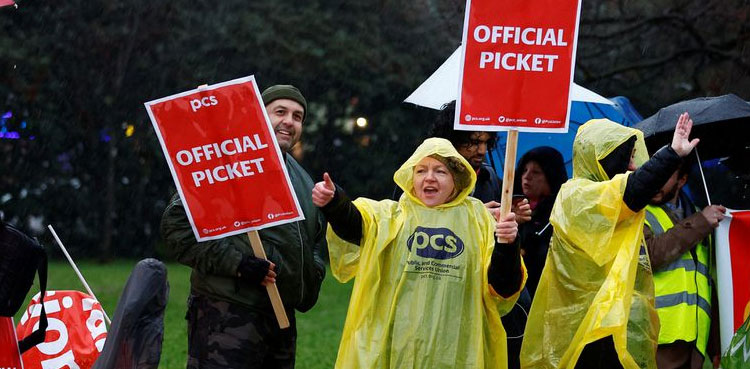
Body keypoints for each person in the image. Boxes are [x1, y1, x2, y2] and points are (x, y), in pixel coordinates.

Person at [312, 137, 526, 369]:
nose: (429, 177)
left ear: (457, 179)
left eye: (440, 171)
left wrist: (507, 245)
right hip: (396, 345)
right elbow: (354, 223)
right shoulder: (392, 216)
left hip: (457, 348)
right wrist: (334, 202)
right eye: (421, 170)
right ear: (412, 179)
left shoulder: (480, 220)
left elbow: (503, 286)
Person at [160, 84, 327, 369]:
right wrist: (239, 264)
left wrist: (311, 276)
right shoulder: (224, 165)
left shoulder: (303, 179)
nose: (289, 120)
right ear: (258, 116)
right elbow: (178, 228)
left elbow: (314, 240)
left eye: (298, 116)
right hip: (226, 317)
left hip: (280, 320)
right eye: (280, 112)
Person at [521, 113, 699, 369]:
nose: (633, 166)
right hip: (582, 327)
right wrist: (671, 154)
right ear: (603, 159)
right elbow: (632, 191)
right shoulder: (578, 195)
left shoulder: (612, 200)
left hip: (612, 324)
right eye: (626, 158)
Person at [644, 160, 725, 369]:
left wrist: (716, 347)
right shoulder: (637, 212)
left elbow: (706, 282)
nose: (655, 181)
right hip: (655, 345)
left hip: (693, 345)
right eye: (654, 172)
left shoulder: (699, 215)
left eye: (666, 175)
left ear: (682, 180)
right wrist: (700, 222)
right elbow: (650, 255)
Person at [513, 146, 568, 298]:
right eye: (524, 170)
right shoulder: (509, 207)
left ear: (551, 175)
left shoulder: (562, 213)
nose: (527, 177)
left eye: (536, 172)